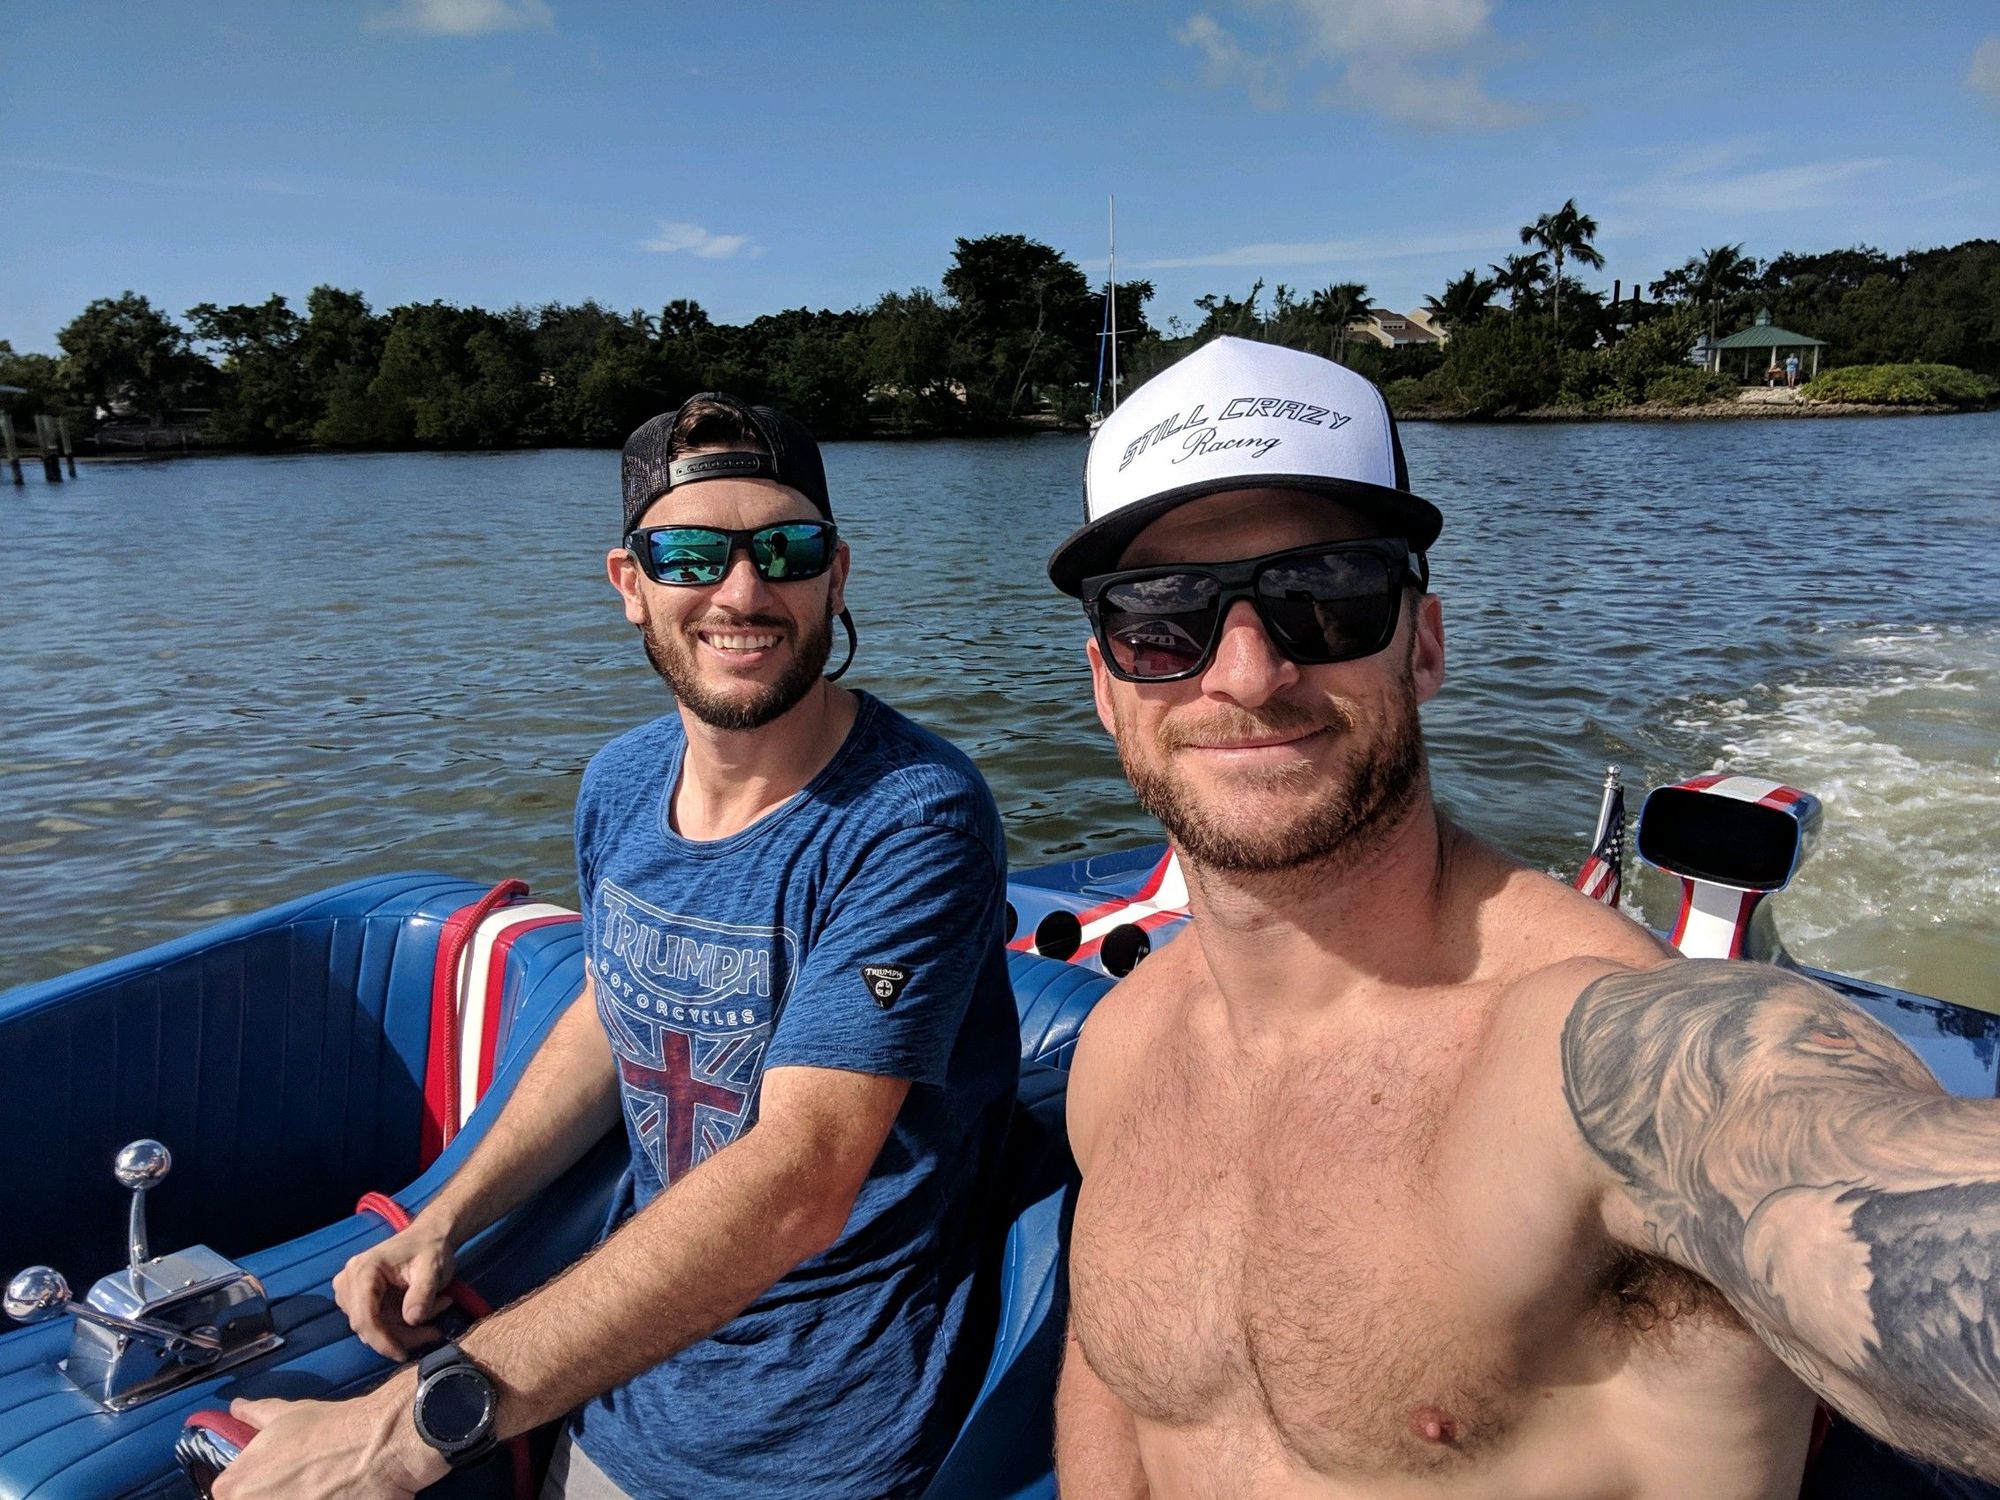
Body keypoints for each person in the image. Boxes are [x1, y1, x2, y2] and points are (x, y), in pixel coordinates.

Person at [1045, 335, 2000, 1498]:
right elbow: (1112, 1381)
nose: (1245, 674)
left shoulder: (1600, 1059)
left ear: (1422, 647)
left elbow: (1822, 1157)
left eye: (1325, 598)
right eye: (1159, 619)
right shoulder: (1121, 1051)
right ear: (1106, 686)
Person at [214, 393, 1020, 1500]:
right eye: (690, 554)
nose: (743, 593)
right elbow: (612, 1007)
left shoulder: (912, 819)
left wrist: (400, 1432)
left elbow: (802, 1177)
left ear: (836, 576)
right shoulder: (621, 783)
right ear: (629, 583)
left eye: (785, 551)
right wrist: (447, 1214)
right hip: (615, 1374)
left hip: (805, 1436)